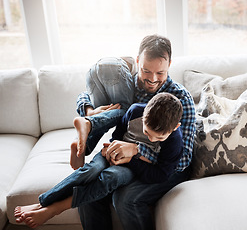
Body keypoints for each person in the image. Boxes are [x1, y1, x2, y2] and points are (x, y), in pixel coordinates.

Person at [76, 34, 196, 230]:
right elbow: (86, 92)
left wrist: (136, 151)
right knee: (89, 192)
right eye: (146, 71)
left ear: (170, 65)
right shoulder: (127, 85)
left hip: (167, 168)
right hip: (124, 157)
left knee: (125, 199)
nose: (152, 79)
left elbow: (183, 160)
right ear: (138, 61)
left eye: (160, 73)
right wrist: (89, 110)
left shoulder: (181, 98)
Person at [13, 93, 184, 229]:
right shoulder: (135, 111)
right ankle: (42, 202)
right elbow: (117, 135)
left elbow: (160, 175)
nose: (152, 139)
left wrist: (131, 159)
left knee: (110, 177)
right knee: (90, 170)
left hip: (132, 166)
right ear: (145, 112)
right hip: (112, 153)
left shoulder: (175, 140)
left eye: (159, 138)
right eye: (147, 132)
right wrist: (109, 149)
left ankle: (53, 209)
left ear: (175, 127)